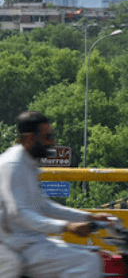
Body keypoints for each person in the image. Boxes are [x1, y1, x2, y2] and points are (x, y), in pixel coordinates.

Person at [0, 111, 114, 278]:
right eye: (47, 137)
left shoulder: (29, 164)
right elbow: (19, 213)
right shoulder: (13, 164)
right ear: (29, 138)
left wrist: (89, 217)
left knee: (94, 254)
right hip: (14, 246)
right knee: (87, 261)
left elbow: (45, 206)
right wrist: (66, 227)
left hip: (29, 242)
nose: (52, 142)